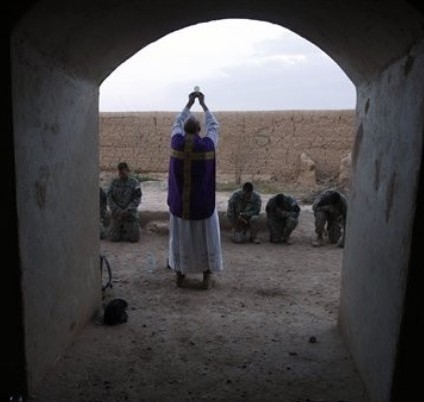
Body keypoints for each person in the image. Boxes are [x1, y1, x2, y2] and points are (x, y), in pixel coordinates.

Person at [167, 90, 223, 289]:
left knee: (181, 240)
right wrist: (204, 105)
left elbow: (176, 122)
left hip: (180, 207)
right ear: (200, 129)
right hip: (203, 206)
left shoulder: (176, 143)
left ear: (184, 130)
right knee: (206, 240)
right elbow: (214, 126)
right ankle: (206, 276)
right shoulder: (207, 146)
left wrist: (189, 104)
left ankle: (180, 273)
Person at [107, 162, 142, 242]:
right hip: (117, 214)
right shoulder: (114, 183)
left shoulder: (134, 183)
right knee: (113, 238)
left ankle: (129, 229)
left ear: (127, 171)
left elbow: (137, 199)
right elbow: (109, 198)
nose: (121, 175)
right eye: (120, 173)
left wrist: (128, 209)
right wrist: (117, 210)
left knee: (134, 239)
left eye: (123, 172)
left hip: (130, 214)